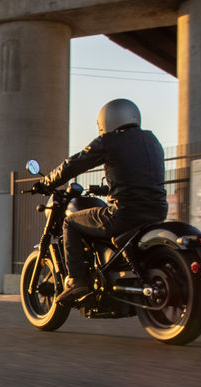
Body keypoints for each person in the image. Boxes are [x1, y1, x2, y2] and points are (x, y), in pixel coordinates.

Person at [32, 98, 168, 306]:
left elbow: (74, 163)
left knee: (71, 223)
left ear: (107, 119)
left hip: (124, 214)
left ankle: (77, 281)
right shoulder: (152, 141)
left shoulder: (110, 141)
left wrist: (47, 182)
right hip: (156, 212)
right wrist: (110, 188)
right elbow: (137, 175)